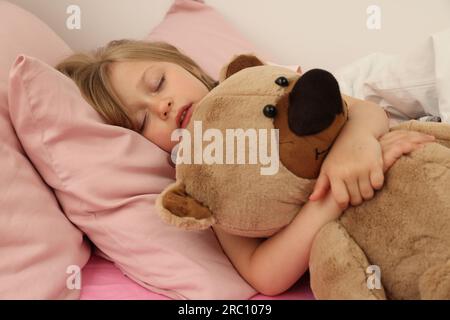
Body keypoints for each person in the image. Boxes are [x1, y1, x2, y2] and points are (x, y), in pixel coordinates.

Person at [56, 39, 436, 296]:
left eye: (157, 83)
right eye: (141, 122)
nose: (163, 107)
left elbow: (365, 110)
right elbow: (263, 274)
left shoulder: (256, 85)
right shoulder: (206, 178)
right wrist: (331, 197)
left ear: (185, 65)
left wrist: (355, 144)